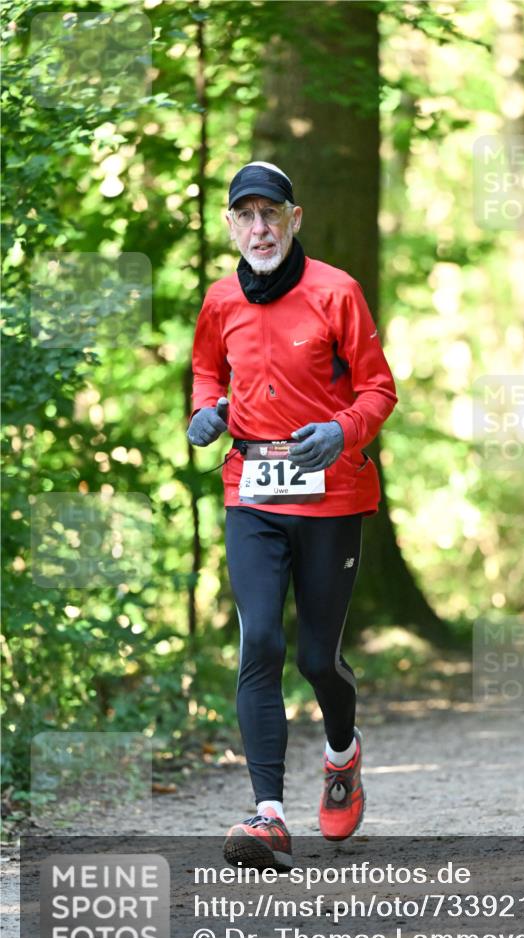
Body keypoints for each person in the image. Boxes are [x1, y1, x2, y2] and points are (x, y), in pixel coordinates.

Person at [187, 161, 397, 869]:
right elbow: (207, 370)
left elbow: (377, 388)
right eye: (244, 216)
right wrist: (204, 411)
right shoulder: (220, 299)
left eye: (269, 214)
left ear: (293, 219)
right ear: (229, 226)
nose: (258, 228)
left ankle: (342, 753)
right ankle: (267, 814)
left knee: (314, 658)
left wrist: (342, 431)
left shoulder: (336, 292)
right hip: (250, 489)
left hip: (331, 493)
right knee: (259, 644)